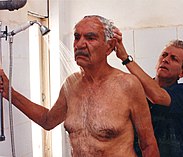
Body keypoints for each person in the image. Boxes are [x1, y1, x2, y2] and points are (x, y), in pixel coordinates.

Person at [0, 15, 159, 157]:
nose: (80, 44)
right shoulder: (71, 84)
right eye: (77, 37)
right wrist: (9, 92)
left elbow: (148, 145)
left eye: (90, 38)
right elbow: (47, 120)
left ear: (109, 47)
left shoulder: (128, 85)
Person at [113, 28, 183, 157]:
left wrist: (125, 58)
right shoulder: (136, 88)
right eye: (164, 55)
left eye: (174, 59)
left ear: (182, 73)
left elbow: (157, 96)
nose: (166, 60)